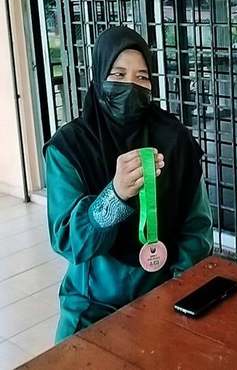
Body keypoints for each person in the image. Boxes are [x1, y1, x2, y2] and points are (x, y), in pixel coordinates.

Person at [44, 26, 213, 342]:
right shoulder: (70, 148)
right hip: (92, 308)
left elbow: (197, 228)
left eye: (141, 78)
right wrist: (115, 195)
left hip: (163, 300)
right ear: (98, 79)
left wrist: (175, 289)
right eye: (118, 75)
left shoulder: (174, 141)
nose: (130, 87)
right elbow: (66, 238)